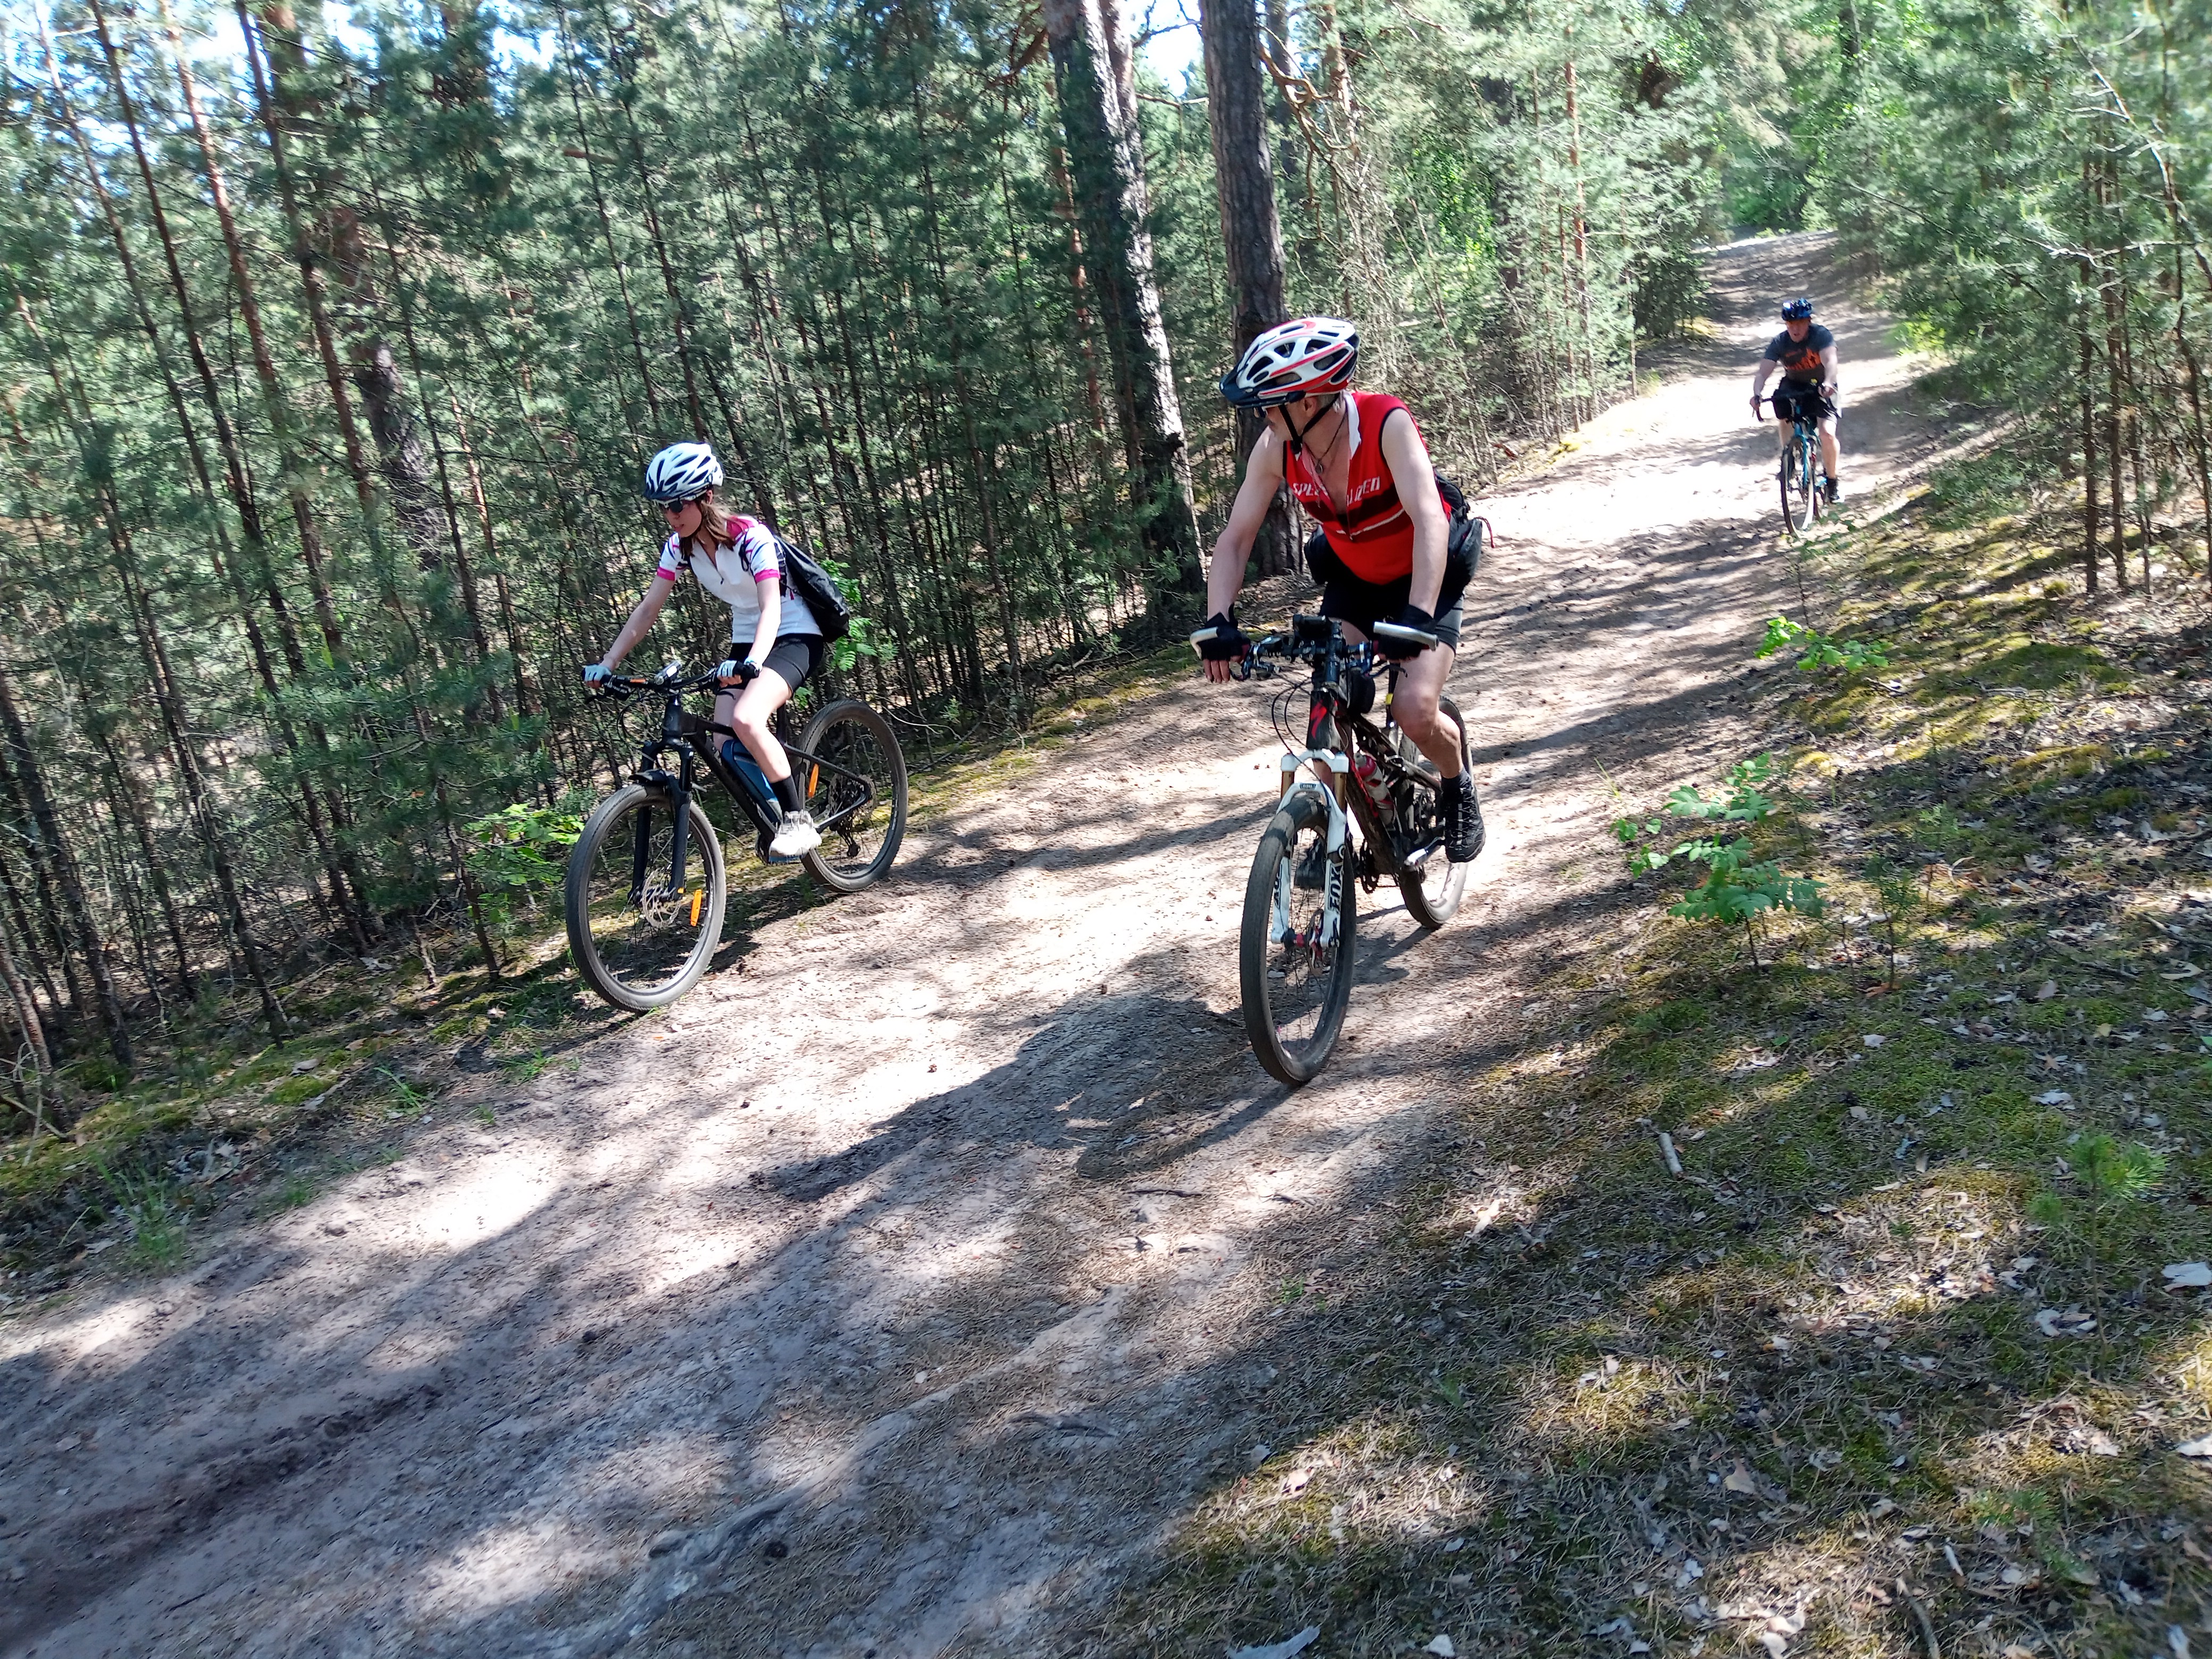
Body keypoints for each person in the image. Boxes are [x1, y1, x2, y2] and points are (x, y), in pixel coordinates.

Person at [1195, 316, 1482, 865]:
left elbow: (1429, 519)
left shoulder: (1385, 424)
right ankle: (1330, 835)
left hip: (1426, 577)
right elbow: (1235, 539)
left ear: (1306, 402)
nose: (1261, 415)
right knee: (1327, 707)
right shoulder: (1276, 448)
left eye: (1268, 404)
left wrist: (1418, 616)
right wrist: (1219, 622)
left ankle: (1456, 783)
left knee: (1414, 710)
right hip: (1357, 582)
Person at [583, 441, 826, 859]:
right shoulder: (679, 547)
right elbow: (648, 609)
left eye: (678, 504)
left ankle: (798, 820)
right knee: (723, 739)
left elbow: (771, 606)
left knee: (747, 719)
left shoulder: (751, 538)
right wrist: (608, 663)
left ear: (706, 497)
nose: (671, 515)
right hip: (749, 637)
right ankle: (773, 810)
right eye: (664, 507)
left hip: (793, 632)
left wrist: (753, 662)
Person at [1750, 296, 1841, 502]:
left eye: (1800, 323)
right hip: (1794, 384)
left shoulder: (1821, 336)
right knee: (1782, 408)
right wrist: (1757, 394)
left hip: (1822, 386)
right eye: (1790, 324)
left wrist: (1828, 382)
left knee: (1827, 433)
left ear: (1809, 322)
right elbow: (1763, 373)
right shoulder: (1780, 342)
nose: (1795, 329)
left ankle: (1832, 482)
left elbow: (1830, 361)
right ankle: (1788, 457)